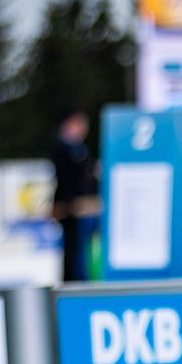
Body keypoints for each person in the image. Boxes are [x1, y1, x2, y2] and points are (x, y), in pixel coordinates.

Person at [49, 108, 99, 283]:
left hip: (84, 207)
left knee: (83, 248)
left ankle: (81, 279)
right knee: (73, 249)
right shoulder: (63, 148)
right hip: (70, 207)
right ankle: (73, 281)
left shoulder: (82, 149)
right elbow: (67, 178)